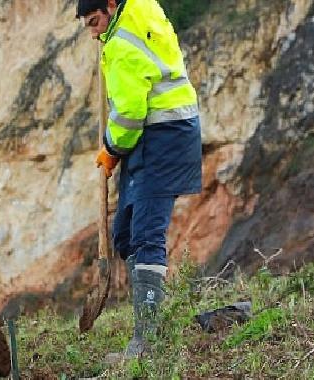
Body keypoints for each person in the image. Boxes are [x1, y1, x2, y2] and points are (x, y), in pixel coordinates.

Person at [76, 0, 202, 358]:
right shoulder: (138, 11)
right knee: (125, 234)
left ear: (111, 6)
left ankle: (149, 341)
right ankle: (149, 324)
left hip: (163, 134)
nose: (93, 32)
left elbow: (130, 113)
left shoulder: (120, 43)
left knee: (146, 233)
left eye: (95, 21)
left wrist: (111, 149)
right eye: (87, 25)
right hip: (156, 134)